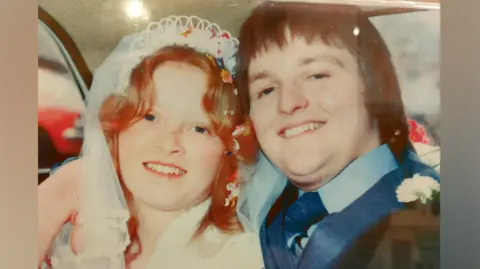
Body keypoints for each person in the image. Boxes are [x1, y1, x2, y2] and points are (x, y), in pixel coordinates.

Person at [37, 15, 263, 269]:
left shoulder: (241, 258)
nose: (169, 144)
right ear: (117, 127)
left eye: (199, 129)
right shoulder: (69, 234)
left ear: (229, 150)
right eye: (150, 116)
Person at [234, 2, 440, 269]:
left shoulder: (436, 223)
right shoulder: (268, 221)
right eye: (267, 90)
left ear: (374, 84)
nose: (288, 103)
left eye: (316, 75)